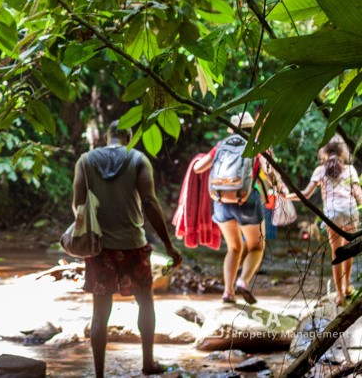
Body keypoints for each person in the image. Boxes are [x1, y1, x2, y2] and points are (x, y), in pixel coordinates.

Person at [72, 121, 183, 377]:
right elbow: (151, 204)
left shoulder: (86, 161)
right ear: (129, 137)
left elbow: (78, 204)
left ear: (108, 137)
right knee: (145, 302)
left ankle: (99, 374)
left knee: (100, 312)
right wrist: (168, 245)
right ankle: (148, 363)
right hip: (133, 245)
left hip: (99, 248)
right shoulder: (138, 159)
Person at [193, 112, 271, 305]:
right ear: (251, 128)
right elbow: (269, 171)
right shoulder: (256, 145)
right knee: (256, 246)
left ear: (231, 129)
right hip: (247, 201)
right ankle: (243, 282)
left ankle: (228, 292)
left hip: (221, 201)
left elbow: (198, 168)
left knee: (234, 247)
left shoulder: (221, 146)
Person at [285, 135, 362, 306]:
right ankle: (348, 286)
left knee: (337, 253)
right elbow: (358, 194)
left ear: (324, 151)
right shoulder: (350, 169)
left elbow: (305, 194)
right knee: (348, 250)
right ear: (343, 150)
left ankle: (340, 295)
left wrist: (285, 196)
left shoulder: (320, 170)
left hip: (332, 214)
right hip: (349, 211)